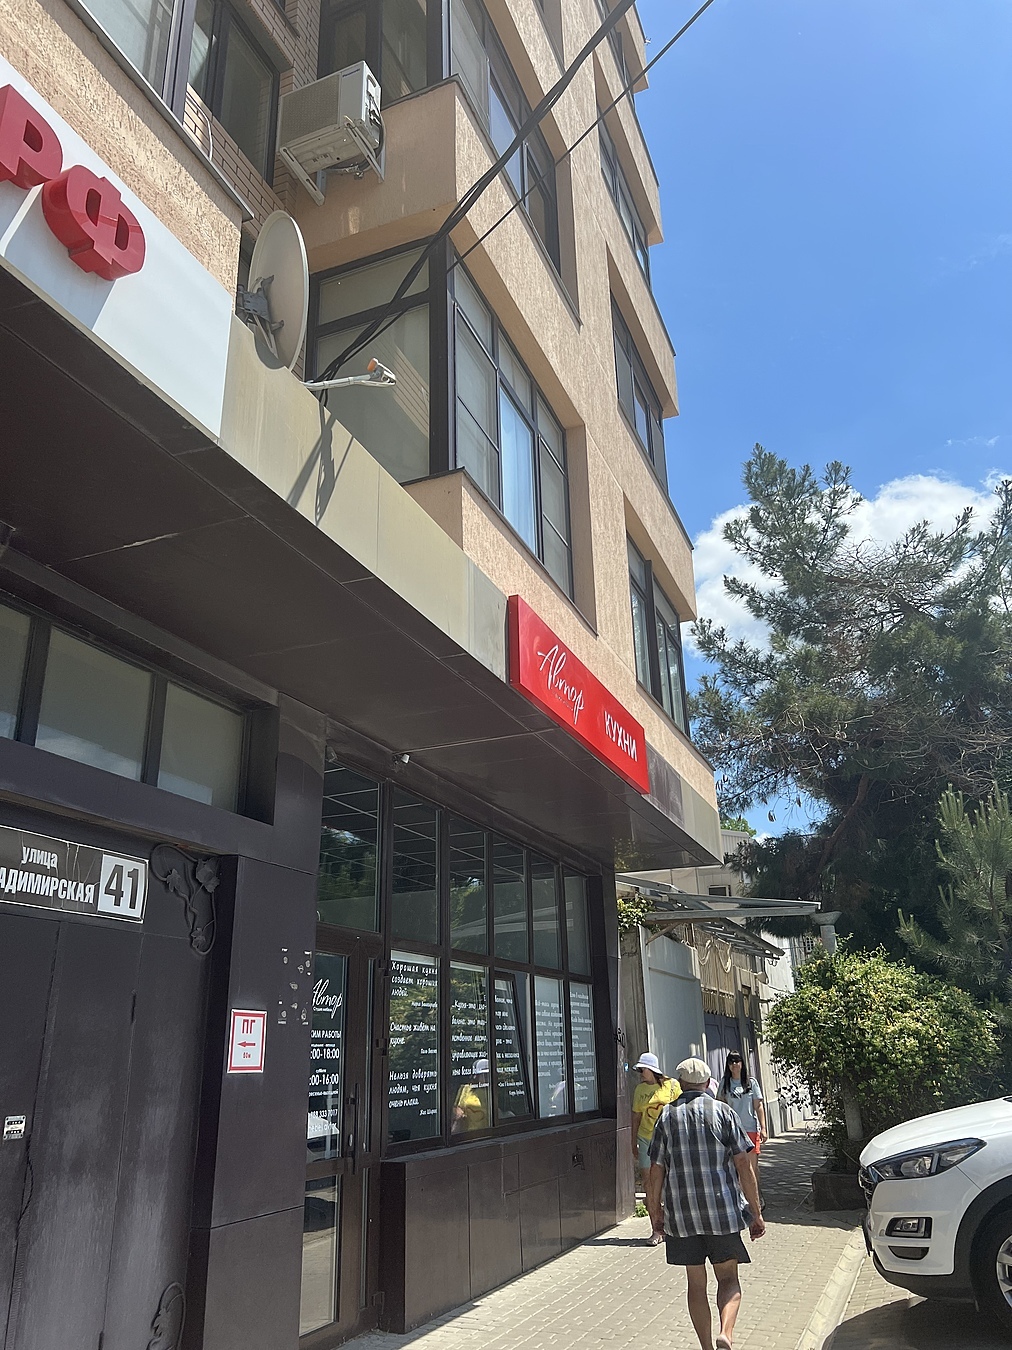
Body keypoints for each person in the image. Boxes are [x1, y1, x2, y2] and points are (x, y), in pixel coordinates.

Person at [646, 1056, 765, 1350]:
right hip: (722, 1213)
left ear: (681, 1084)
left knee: (696, 1285)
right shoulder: (723, 1113)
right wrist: (755, 1212)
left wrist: (655, 1212)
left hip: (682, 1217)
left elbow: (656, 1170)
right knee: (729, 1279)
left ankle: (706, 1347)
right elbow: (743, 1164)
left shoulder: (666, 1117)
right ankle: (726, 1332)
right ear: (707, 1083)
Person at [631, 1052, 680, 1243]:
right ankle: (656, 1229)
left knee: (671, 1181)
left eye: (642, 1069)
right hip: (646, 1139)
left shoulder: (672, 1085)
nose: (640, 1073)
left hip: (668, 1140)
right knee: (649, 1184)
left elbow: (680, 1110)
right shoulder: (639, 1090)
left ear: (652, 1070)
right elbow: (636, 1117)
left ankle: (673, 1226)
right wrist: (632, 1141)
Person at [716, 1053, 767, 1195]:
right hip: (732, 1131)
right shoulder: (725, 1083)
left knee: (751, 1167)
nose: (734, 1065)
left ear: (742, 1063)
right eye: (731, 1062)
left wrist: (763, 1128)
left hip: (750, 1129)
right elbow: (719, 1105)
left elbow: (758, 1106)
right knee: (736, 1166)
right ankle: (741, 1198)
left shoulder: (751, 1083)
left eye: (737, 1061)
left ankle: (755, 1196)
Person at [452, 1058, 490, 1132]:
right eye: (484, 1075)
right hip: (467, 1132)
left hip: (485, 1131)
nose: (487, 1078)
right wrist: (458, 1112)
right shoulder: (465, 1088)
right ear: (476, 1076)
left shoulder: (492, 1091)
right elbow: (455, 1108)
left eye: (488, 1075)